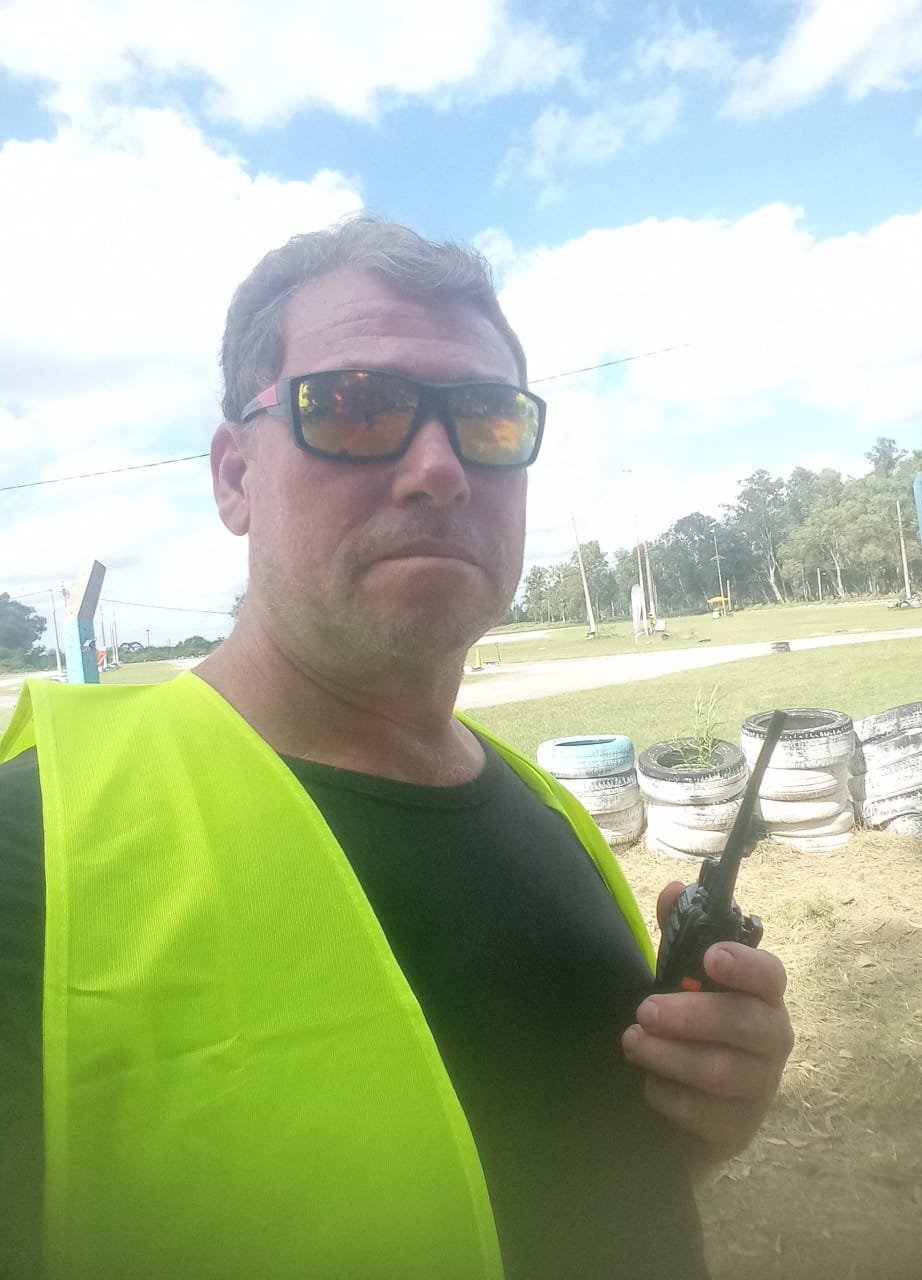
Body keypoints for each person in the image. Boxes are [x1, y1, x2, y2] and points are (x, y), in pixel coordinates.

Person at [0, 217, 794, 1280]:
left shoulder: (545, 810)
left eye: (489, 420)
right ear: (234, 477)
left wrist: (693, 1129)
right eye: (356, 407)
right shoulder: (33, 859)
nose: (440, 469)